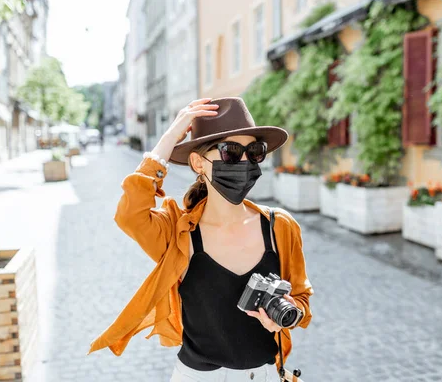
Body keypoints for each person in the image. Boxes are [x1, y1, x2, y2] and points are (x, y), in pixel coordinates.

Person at [87, 97, 313, 382]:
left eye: (254, 151)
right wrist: (169, 139)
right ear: (198, 163)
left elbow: (302, 299)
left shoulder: (279, 226)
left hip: (266, 375)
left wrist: (290, 312)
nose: (244, 161)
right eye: (231, 152)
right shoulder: (179, 232)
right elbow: (130, 215)